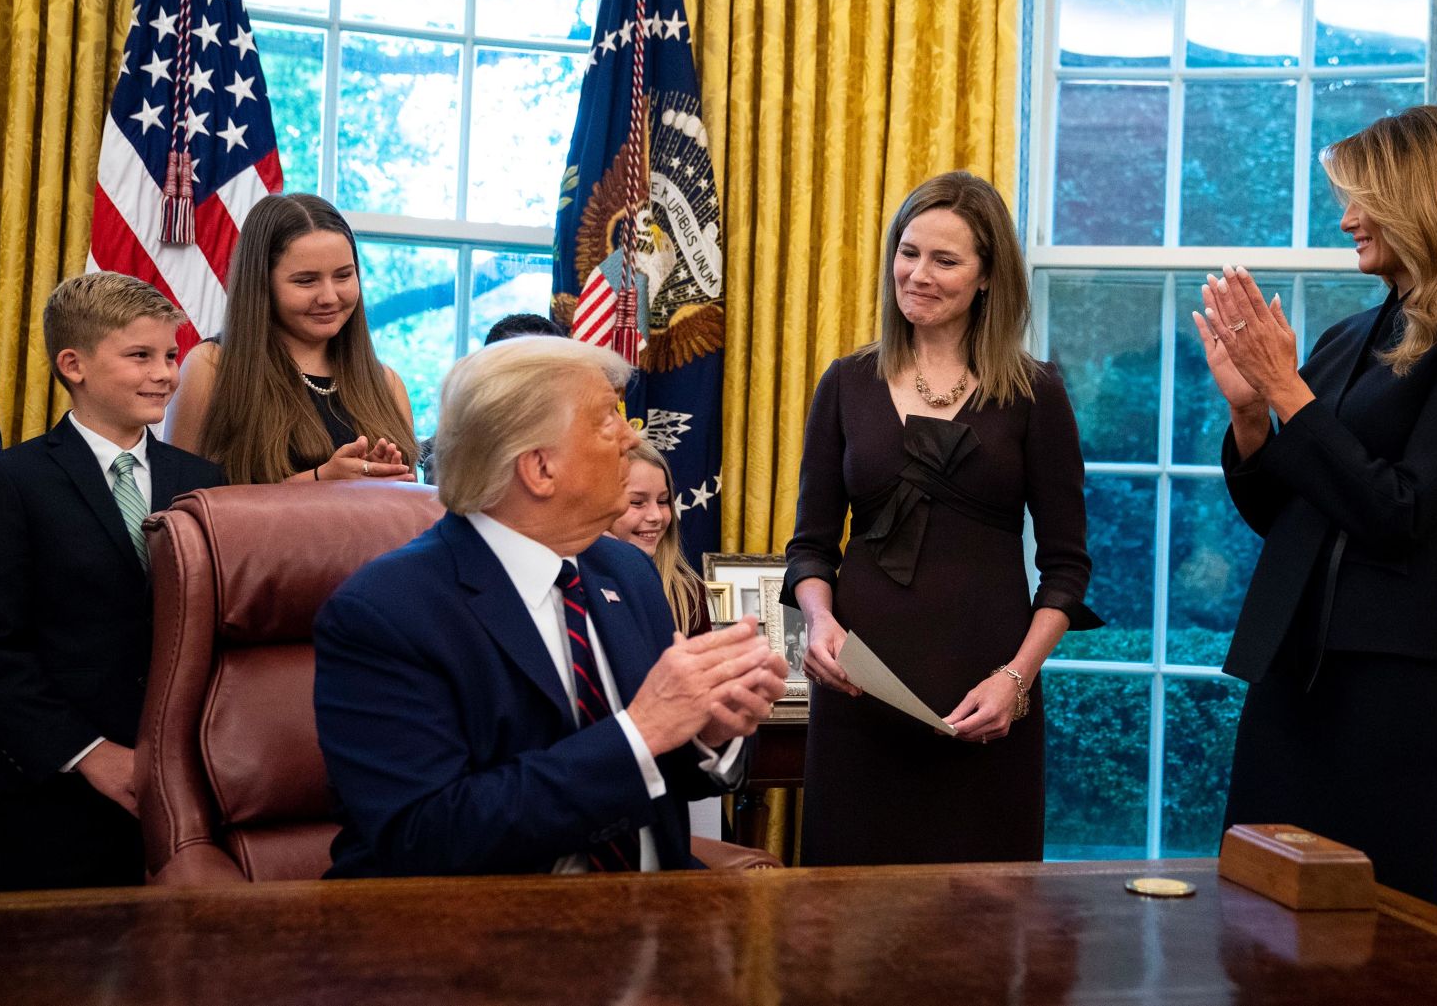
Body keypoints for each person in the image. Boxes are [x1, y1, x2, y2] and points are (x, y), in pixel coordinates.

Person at [1194, 105, 1437, 905]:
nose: (1346, 218)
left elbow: (1401, 513)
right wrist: (1250, 415)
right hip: (1291, 665)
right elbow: (1288, 518)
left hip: (1391, 677)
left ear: (1426, 199)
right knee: (1258, 899)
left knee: (1370, 916)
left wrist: (1287, 390)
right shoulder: (1349, 333)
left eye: (1362, 198)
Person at [313, 336, 788, 877]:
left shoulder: (627, 574)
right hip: (493, 937)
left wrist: (709, 730)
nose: (633, 436)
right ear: (540, 469)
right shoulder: (385, 613)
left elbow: (655, 775)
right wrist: (642, 728)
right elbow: (428, 836)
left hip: (662, 917)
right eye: (608, 419)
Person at [784, 170, 1101, 866]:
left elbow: (1067, 567)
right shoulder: (844, 382)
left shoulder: (1035, 393)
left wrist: (1016, 679)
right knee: (844, 935)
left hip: (985, 704)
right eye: (908, 250)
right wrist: (819, 619)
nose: (917, 273)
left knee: (982, 935)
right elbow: (809, 546)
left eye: (944, 259)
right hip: (858, 696)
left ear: (988, 277)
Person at [0, 273, 225, 890]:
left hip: (190, 779)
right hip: (55, 796)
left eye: (171, 355)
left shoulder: (206, 480)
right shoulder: (12, 481)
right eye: (140, 356)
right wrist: (87, 752)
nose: (166, 374)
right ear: (74, 364)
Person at [165, 193, 416, 484]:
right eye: (306, 281)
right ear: (262, 283)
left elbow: (409, 509)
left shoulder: (388, 383)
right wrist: (321, 482)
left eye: (343, 276)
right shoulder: (212, 366)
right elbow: (182, 503)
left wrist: (380, 482)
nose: (329, 297)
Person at [418, 311, 568, 482]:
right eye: (522, 369)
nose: (536, 383)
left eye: (548, 369)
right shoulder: (452, 465)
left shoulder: (580, 451)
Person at [607, 441, 713, 637]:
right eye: (637, 503)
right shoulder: (575, 583)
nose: (656, 515)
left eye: (663, 501)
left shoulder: (687, 593)